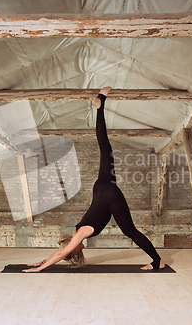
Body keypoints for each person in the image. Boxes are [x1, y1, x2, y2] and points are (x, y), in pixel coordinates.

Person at [23, 87, 165, 272]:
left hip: (108, 194)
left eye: (73, 250)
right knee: (105, 148)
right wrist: (41, 261)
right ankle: (101, 105)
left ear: (73, 248)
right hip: (100, 187)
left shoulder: (80, 233)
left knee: (130, 231)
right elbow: (61, 250)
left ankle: (157, 261)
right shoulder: (75, 232)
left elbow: (61, 253)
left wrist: (38, 269)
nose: (76, 250)